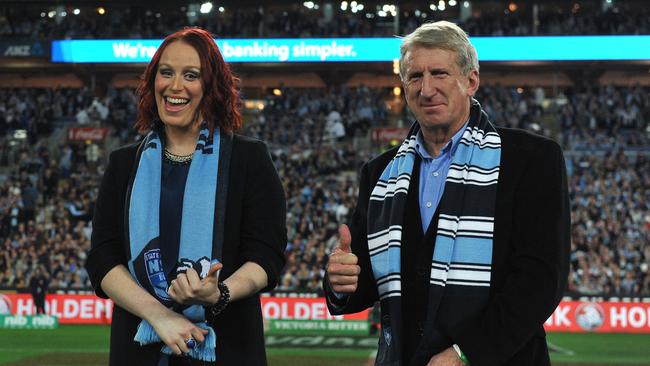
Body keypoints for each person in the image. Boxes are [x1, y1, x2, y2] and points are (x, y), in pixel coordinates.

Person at [324, 21, 569, 366]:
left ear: (471, 81)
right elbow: (364, 285)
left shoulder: (532, 160)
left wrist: (466, 352)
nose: (426, 89)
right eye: (414, 76)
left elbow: (540, 281)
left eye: (439, 73)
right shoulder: (379, 173)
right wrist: (340, 279)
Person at [86, 27, 287, 366]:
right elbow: (103, 258)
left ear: (211, 88)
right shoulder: (123, 164)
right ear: (153, 81)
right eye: (166, 72)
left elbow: (266, 255)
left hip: (227, 347)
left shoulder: (249, 159)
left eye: (190, 75)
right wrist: (159, 316)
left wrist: (219, 293)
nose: (175, 86)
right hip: (138, 349)